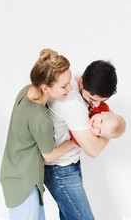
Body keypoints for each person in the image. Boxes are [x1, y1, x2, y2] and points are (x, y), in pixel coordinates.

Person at [0, 49, 77, 220]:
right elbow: (49, 156)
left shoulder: (25, 91)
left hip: (14, 175)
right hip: (24, 184)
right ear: (45, 87)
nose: (70, 88)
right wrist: (74, 141)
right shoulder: (41, 119)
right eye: (64, 86)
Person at [44, 60, 119, 220]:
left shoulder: (74, 80)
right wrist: (109, 132)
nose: (96, 104)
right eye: (92, 98)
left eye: (102, 100)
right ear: (83, 81)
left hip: (68, 163)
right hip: (60, 168)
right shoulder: (73, 104)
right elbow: (93, 150)